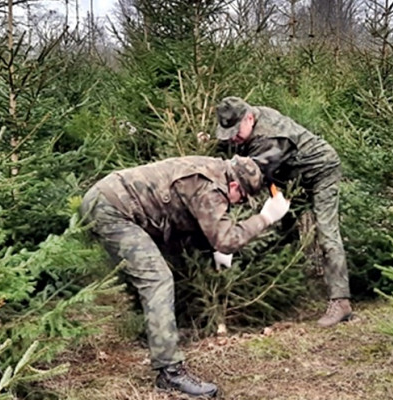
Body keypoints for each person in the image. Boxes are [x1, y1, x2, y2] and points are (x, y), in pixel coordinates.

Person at [79, 155, 290, 397]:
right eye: (241, 198)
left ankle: (159, 337)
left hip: (114, 200)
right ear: (234, 186)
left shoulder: (213, 169)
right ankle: (170, 373)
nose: (236, 204)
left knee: (168, 262)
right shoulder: (211, 187)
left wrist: (215, 249)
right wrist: (266, 217)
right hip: (113, 209)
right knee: (157, 279)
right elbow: (226, 238)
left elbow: (191, 219)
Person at [214, 96, 352, 328]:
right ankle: (288, 289)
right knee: (282, 232)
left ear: (249, 118)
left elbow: (249, 179)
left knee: (327, 234)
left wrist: (227, 233)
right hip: (289, 175)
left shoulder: (272, 139)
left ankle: (341, 301)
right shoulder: (251, 118)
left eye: (236, 131)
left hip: (320, 171)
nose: (233, 138)